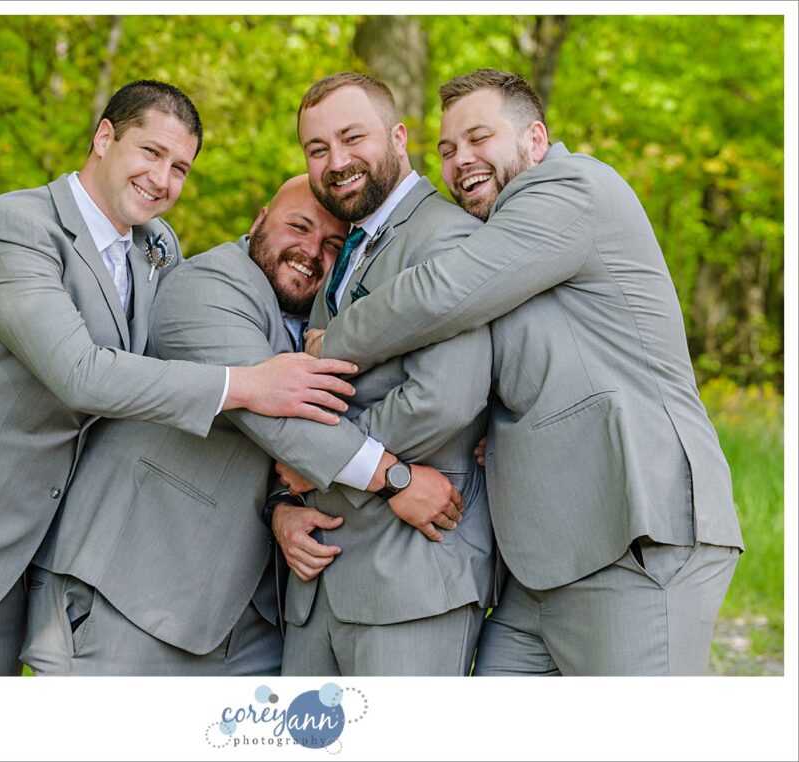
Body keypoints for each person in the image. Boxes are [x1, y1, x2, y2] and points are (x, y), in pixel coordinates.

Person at [0, 80, 359, 676]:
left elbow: (164, 370)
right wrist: (247, 383)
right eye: (151, 152)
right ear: (104, 137)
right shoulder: (15, 227)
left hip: (9, 562)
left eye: (180, 167)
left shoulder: (158, 250)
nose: (162, 179)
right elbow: (80, 374)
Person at [307, 69, 744, 675]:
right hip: (541, 564)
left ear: (535, 140)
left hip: (636, 534)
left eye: (479, 138)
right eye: (449, 149)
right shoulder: (502, 238)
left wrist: (332, 341)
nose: (461, 161)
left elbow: (443, 291)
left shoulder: (572, 189)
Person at [22, 175, 462, 675]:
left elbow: (274, 449)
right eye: (298, 227)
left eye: (332, 245)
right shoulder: (208, 286)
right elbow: (277, 421)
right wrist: (394, 479)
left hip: (247, 615)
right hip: (133, 587)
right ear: (258, 221)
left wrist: (282, 507)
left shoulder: (327, 326)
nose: (311, 251)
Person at [273, 72, 499, 676]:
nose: (336, 162)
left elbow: (442, 397)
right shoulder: (347, 246)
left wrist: (320, 459)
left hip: (411, 578)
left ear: (398, 136)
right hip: (317, 581)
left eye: (353, 138)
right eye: (317, 150)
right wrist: (285, 501)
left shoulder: (449, 237)